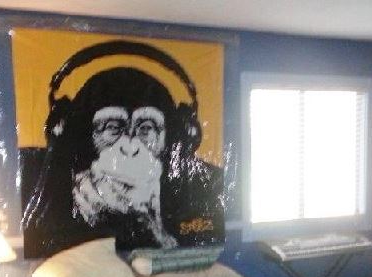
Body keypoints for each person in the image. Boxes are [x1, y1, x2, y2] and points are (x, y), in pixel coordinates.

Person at [21, 41, 224, 257]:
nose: (129, 147)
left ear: (176, 136)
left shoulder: (207, 183)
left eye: (146, 128)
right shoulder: (38, 173)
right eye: (112, 128)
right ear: (81, 136)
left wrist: (154, 233)